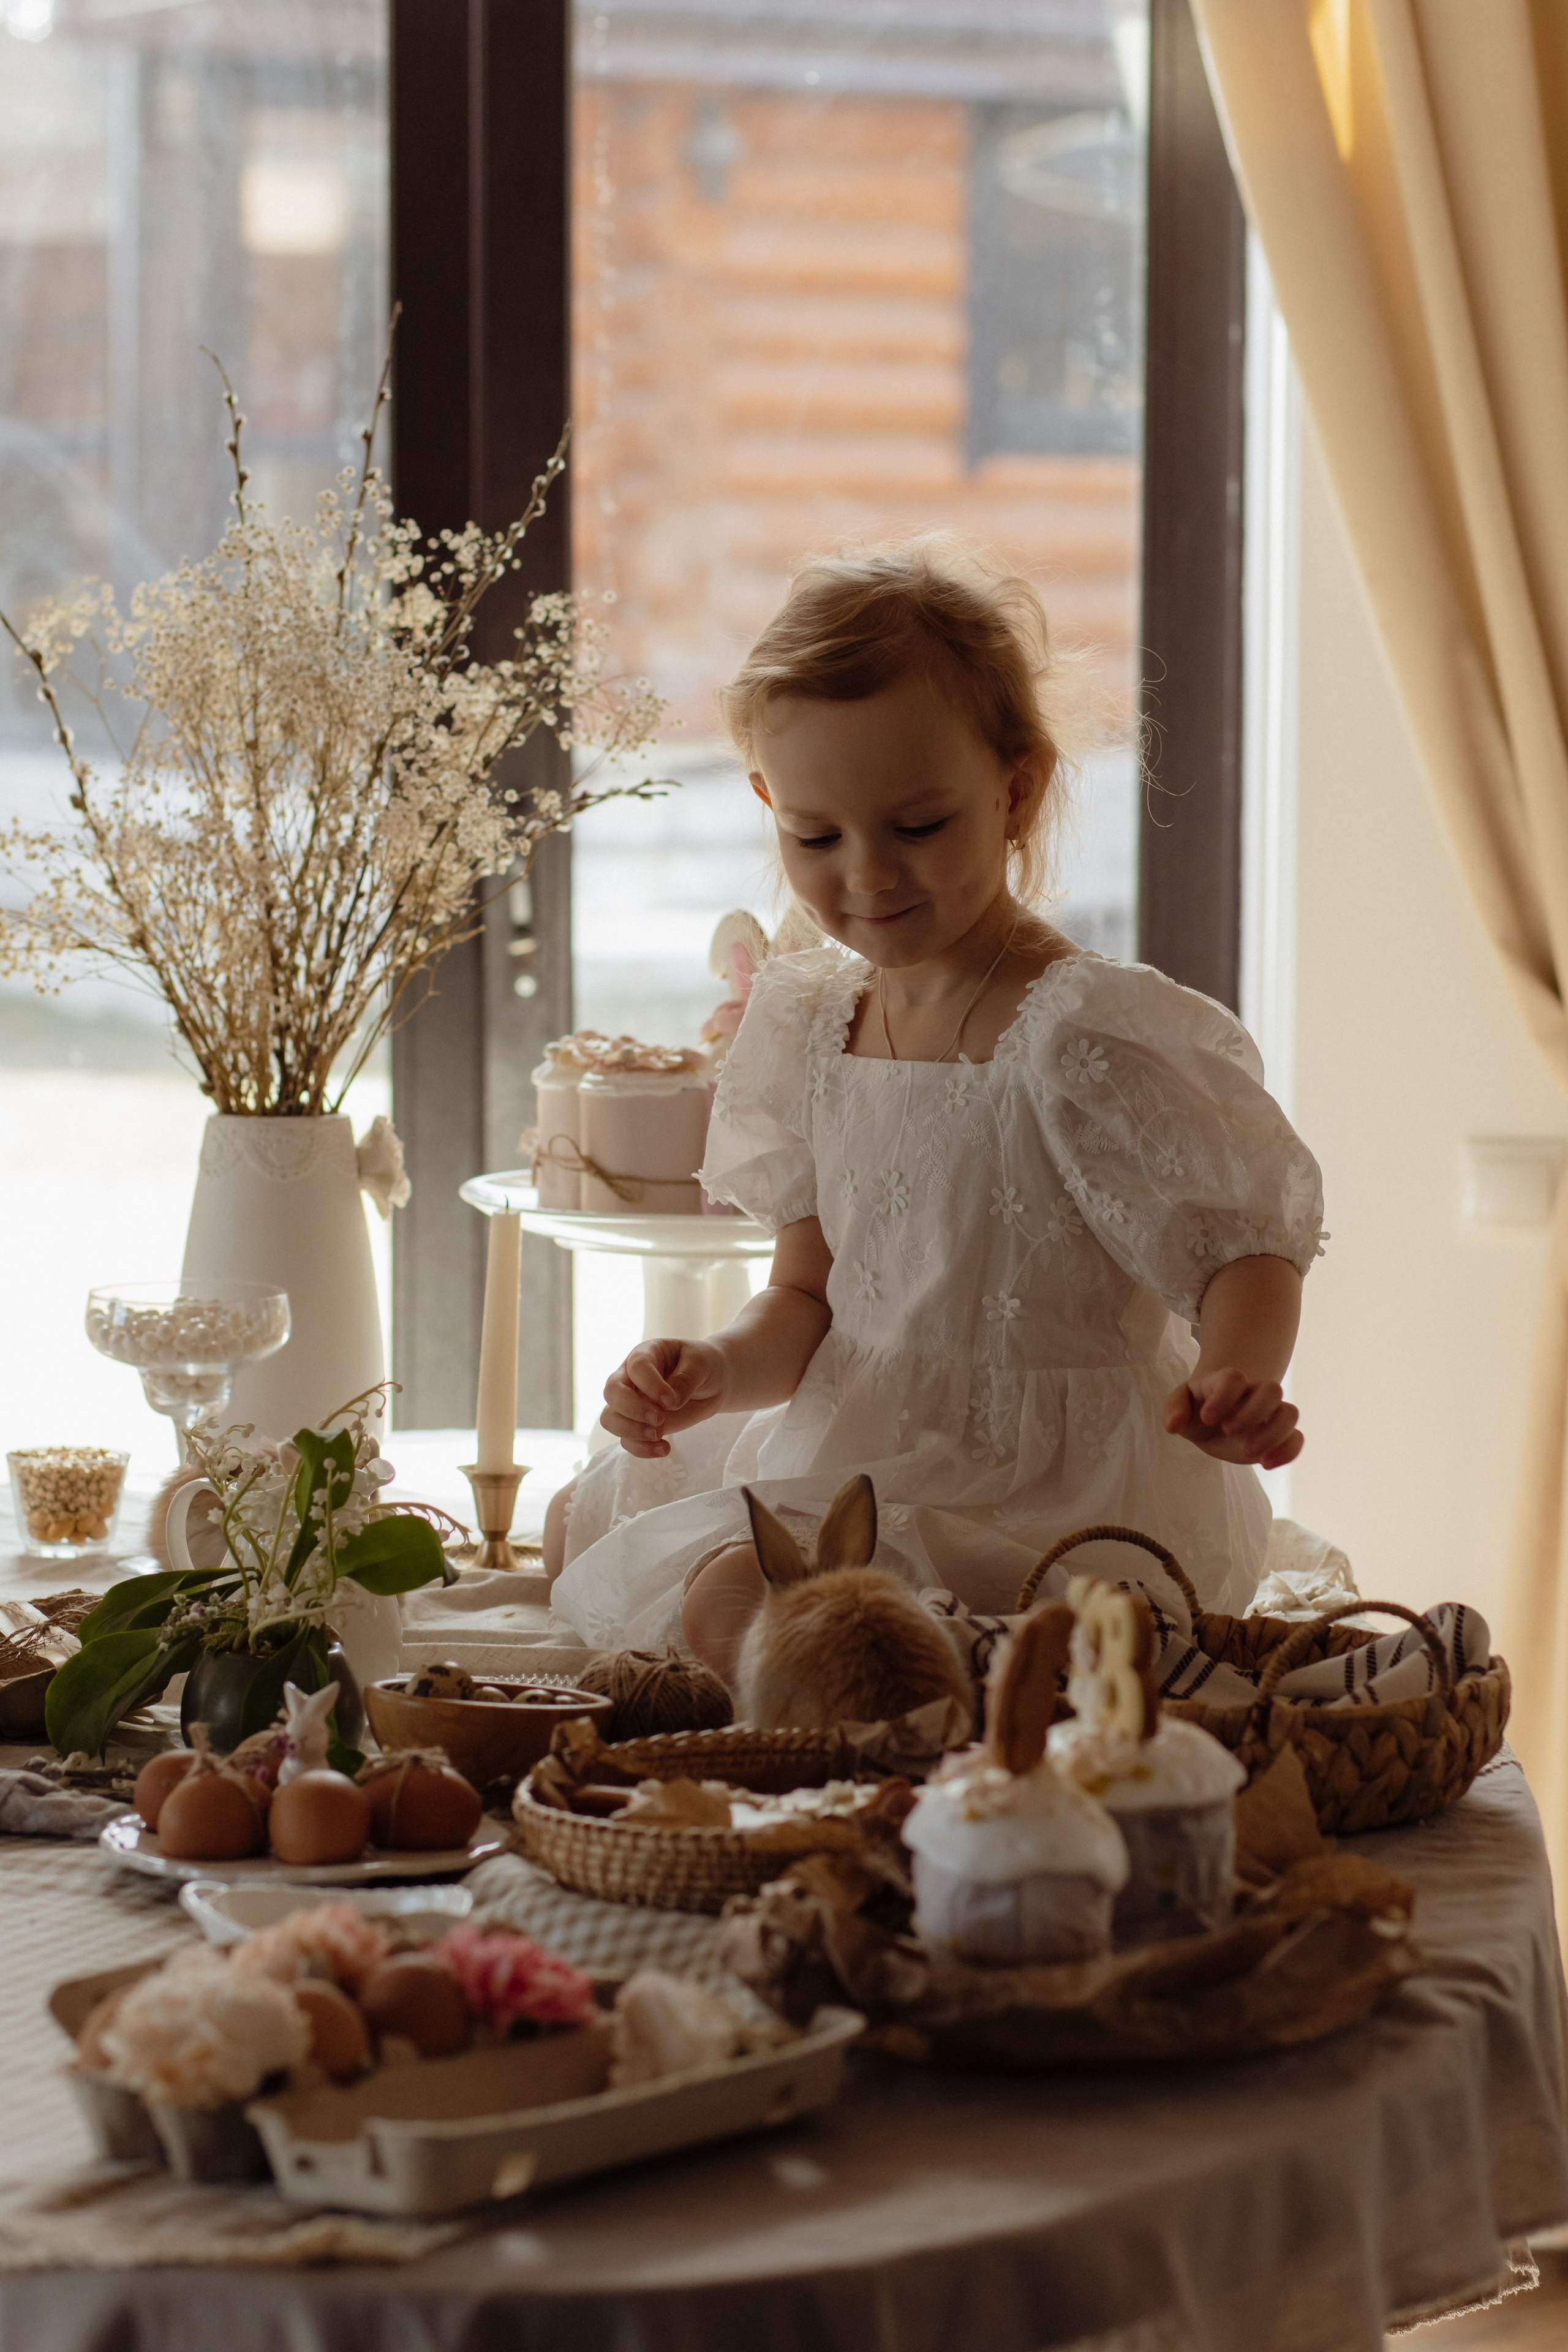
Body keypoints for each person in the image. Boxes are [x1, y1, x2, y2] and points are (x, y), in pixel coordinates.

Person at [545, 535, 1324, 1679]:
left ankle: (942, 1713)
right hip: (862, 1453)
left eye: (918, 827)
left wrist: (1238, 1374)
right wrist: (714, 1368)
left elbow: (1245, 1248)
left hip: (1047, 1489)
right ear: (767, 801)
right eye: (816, 836)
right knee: (631, 1544)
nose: (865, 875)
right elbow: (805, 1298)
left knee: (790, 1615)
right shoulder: (813, 1019)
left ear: (1017, 788)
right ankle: (878, 1703)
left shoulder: (1081, 1032)